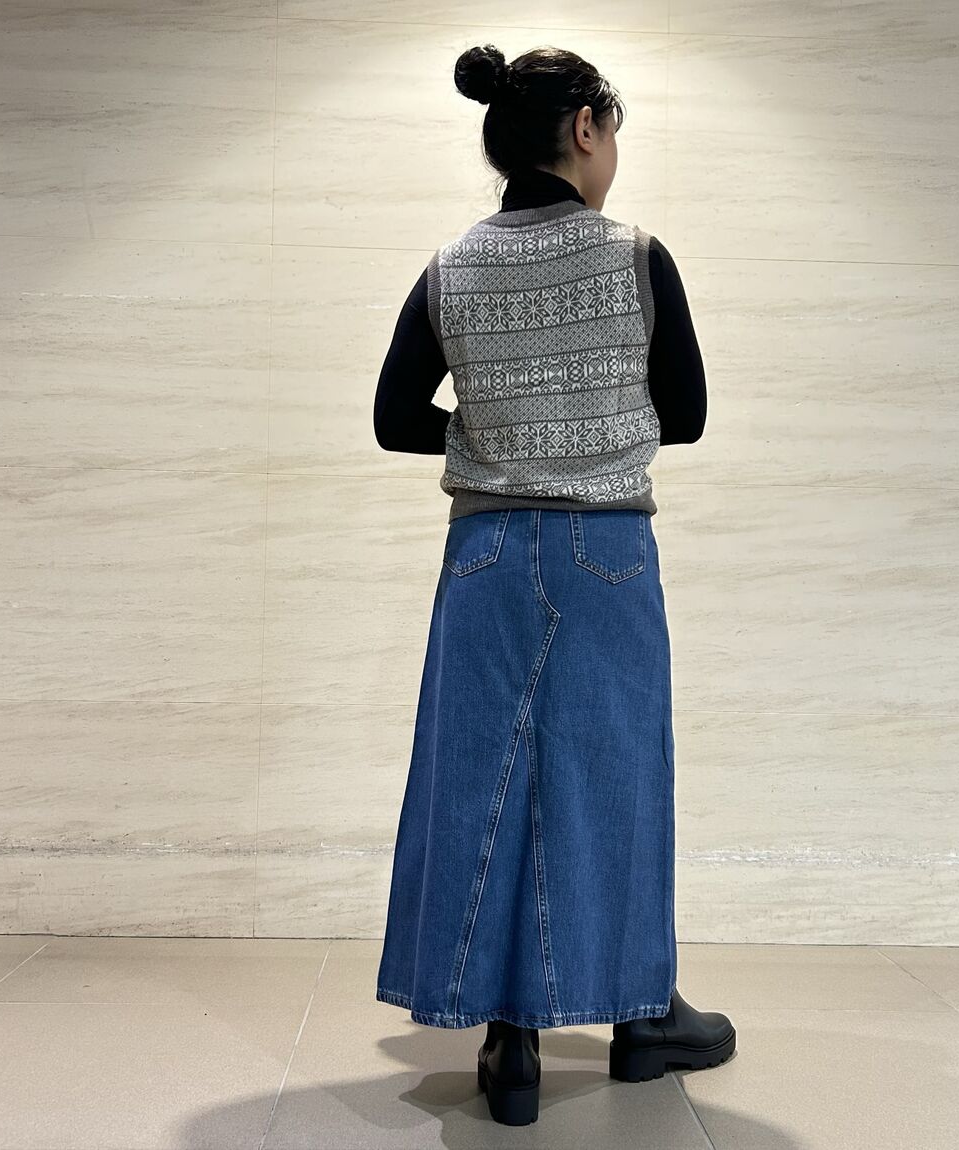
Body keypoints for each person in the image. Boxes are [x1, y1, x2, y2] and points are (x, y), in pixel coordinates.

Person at [371, 42, 736, 1126]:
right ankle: (638, 1017)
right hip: (606, 554)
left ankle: (509, 1039)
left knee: (478, 780)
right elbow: (688, 413)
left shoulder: (450, 266)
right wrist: (585, 433)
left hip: (484, 553)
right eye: (611, 130)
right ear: (584, 127)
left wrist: (497, 437)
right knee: (614, 778)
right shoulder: (636, 257)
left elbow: (393, 418)